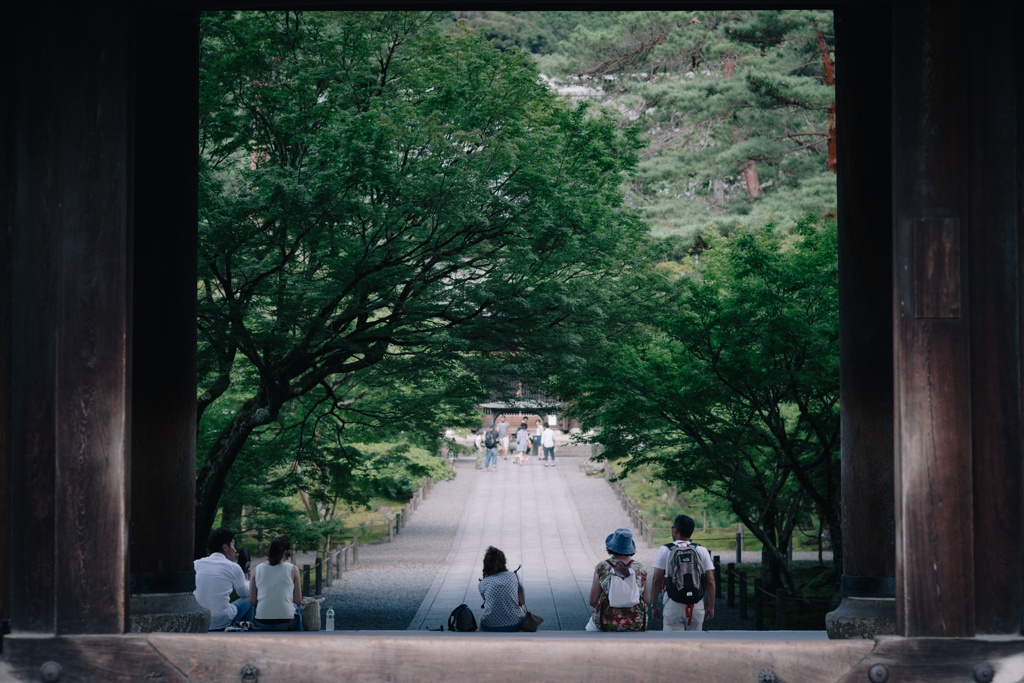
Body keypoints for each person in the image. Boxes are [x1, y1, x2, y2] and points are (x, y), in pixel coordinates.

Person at [650, 514, 716, 632]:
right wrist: (711, 606)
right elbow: (710, 581)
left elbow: (656, 580)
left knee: (673, 646)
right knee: (694, 646)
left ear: (675, 529)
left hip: (673, 603)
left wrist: (654, 606)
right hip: (697, 605)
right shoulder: (701, 550)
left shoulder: (665, 550)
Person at [588, 528, 650, 631]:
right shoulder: (640, 568)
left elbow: (593, 601)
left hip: (606, 622)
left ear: (611, 547)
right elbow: (646, 599)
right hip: (635, 623)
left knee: (590, 628)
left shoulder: (602, 567)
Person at [194, 528, 253, 630]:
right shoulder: (233, 566)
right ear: (225, 547)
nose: (235, 550)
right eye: (233, 545)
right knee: (249, 600)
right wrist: (250, 580)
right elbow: (244, 593)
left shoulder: (196, 563)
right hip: (220, 620)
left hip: (199, 619)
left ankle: (237, 627)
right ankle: (244, 631)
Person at [250, 536, 303, 631]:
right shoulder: (293, 569)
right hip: (286, 622)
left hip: (261, 622)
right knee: (296, 609)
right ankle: (301, 640)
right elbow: (298, 600)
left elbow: (252, 602)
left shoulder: (256, 570)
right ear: (286, 552)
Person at [478, 546, 525, 631]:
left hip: (489, 625)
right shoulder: (514, 575)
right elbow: (522, 601)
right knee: (521, 607)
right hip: (515, 624)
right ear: (503, 562)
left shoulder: (483, 583)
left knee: (484, 609)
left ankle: (480, 635)